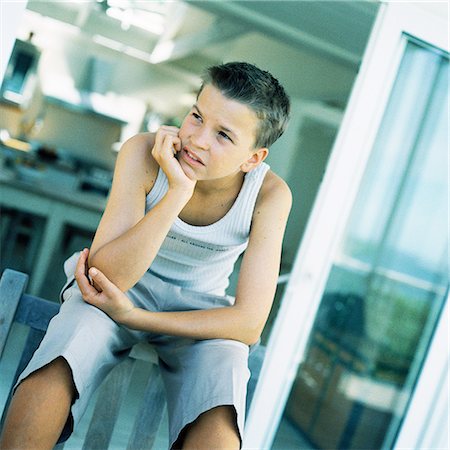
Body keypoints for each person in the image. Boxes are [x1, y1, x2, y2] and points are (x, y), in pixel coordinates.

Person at [0, 61, 292, 450]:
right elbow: (106, 275)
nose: (198, 140)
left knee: (222, 393)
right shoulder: (143, 150)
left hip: (200, 310)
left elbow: (249, 323)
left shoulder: (270, 195)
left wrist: (136, 318)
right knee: (68, 344)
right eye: (196, 117)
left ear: (253, 158)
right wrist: (175, 194)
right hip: (116, 291)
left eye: (223, 134)